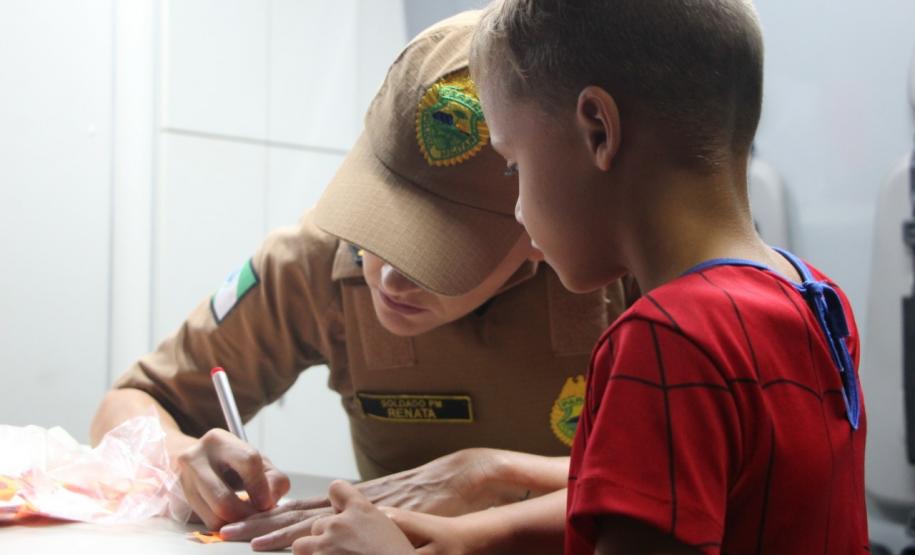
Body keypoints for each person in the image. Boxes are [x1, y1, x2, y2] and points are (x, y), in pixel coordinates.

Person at [290, 0, 870, 554]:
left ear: (597, 130)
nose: (516, 210)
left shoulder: (663, 340)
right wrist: (473, 539)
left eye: (515, 164)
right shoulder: (815, 298)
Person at [89, 9, 632, 551]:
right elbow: (133, 401)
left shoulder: (619, 271)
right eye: (377, 224)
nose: (391, 275)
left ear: (532, 229)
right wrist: (181, 456)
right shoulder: (312, 262)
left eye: (436, 253)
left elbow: (686, 483)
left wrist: (487, 473)